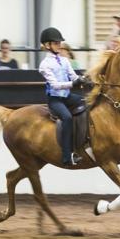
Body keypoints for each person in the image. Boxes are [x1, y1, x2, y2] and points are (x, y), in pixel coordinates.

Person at [38, 27, 89, 166]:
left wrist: (82, 78)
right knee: (66, 117)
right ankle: (67, 156)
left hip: (67, 96)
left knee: (87, 103)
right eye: (56, 43)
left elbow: (73, 75)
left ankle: (86, 140)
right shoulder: (44, 65)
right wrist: (73, 83)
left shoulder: (65, 61)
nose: (59, 45)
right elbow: (55, 85)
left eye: (59, 43)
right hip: (55, 100)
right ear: (47, 45)